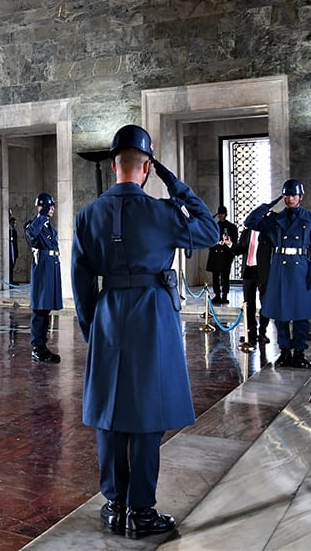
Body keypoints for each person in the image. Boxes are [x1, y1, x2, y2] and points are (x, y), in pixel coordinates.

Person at [71, 124, 219, 539]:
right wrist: (176, 185)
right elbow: (210, 230)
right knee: (147, 416)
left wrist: (92, 327)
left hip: (108, 313)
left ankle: (114, 505)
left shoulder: (87, 216)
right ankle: (141, 511)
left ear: (113, 165)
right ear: (147, 168)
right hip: (152, 315)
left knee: (111, 414)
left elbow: (81, 283)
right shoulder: (163, 211)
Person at [244, 179, 311, 369]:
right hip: (280, 268)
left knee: (301, 315)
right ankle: (285, 352)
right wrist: (269, 205)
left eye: (293, 195)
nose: (289, 199)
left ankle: (299, 353)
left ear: (301, 197)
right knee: (281, 314)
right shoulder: (274, 220)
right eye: (286, 195)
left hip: (301, 268)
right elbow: (250, 221)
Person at [25, 193, 62, 363]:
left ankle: (42, 346)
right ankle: (37, 348)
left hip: (51, 267)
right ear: (44, 206)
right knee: (40, 309)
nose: (52, 209)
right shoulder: (35, 224)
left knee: (46, 308)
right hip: (42, 269)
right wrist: (41, 215)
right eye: (50, 206)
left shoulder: (47, 225)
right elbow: (31, 235)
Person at [234, 226, 272, 345]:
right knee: (248, 304)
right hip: (248, 271)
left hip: (263, 272)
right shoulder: (246, 232)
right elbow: (239, 249)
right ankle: (251, 332)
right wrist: (230, 244)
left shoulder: (267, 232)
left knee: (265, 302)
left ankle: (262, 332)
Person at [204, 205, 238, 304]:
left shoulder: (231, 227)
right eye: (219, 214)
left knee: (225, 276)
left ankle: (224, 295)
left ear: (225, 214)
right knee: (215, 276)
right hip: (215, 254)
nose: (220, 216)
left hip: (226, 255)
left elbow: (234, 242)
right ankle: (217, 294)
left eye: (222, 214)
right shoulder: (215, 226)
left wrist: (231, 253)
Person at [8, 215, 19, 284]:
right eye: (13, 223)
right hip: (9, 249)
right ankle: (9, 280)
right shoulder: (8, 230)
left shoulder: (14, 231)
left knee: (12, 265)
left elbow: (15, 243)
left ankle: (11, 280)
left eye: (15, 223)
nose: (14, 224)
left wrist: (16, 252)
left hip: (13, 250)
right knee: (9, 266)